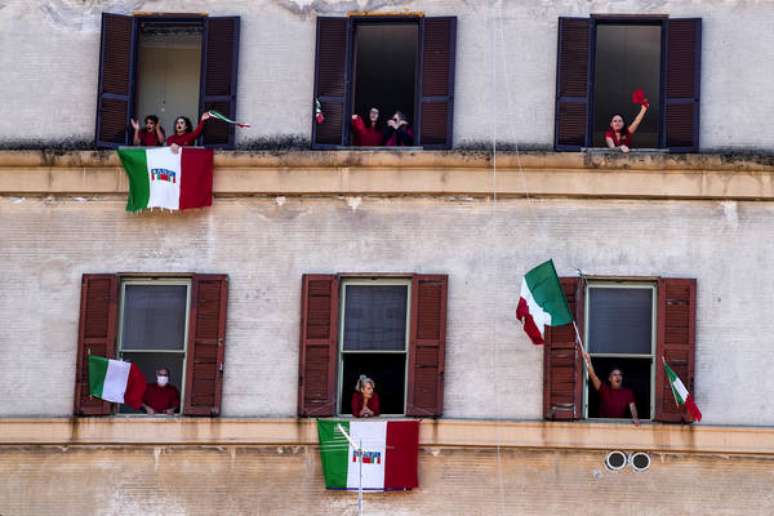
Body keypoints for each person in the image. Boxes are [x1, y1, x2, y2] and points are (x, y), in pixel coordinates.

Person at [583, 351, 640, 425]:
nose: (618, 377)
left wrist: (635, 418)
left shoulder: (627, 393)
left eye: (620, 375)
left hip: (619, 426)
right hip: (603, 426)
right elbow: (593, 375)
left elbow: (632, 407)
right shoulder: (604, 389)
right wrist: (588, 361)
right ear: (610, 378)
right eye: (615, 375)